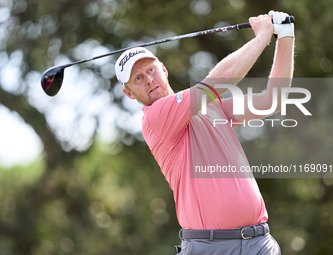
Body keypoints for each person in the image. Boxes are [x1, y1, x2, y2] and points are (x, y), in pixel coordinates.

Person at [115, 10, 294, 255]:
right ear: (129, 93)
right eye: (137, 78)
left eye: (151, 70)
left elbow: (274, 100)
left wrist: (285, 36)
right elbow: (223, 79)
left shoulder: (211, 107)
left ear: (164, 70)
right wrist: (262, 36)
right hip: (210, 247)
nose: (148, 79)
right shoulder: (155, 118)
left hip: (259, 242)